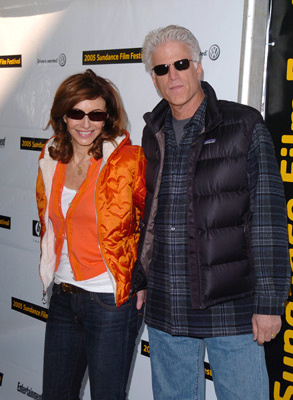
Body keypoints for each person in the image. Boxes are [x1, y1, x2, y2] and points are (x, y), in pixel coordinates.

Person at [130, 25, 291, 399]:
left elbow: (268, 220)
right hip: (165, 302)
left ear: (198, 67)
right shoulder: (152, 132)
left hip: (230, 306)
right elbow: (149, 212)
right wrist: (142, 277)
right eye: (161, 69)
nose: (172, 76)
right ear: (153, 79)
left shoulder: (244, 125)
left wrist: (269, 303)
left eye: (181, 64)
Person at [36, 69, 146, 400]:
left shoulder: (128, 161)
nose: (86, 123)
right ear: (63, 115)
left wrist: (140, 278)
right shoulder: (50, 157)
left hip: (109, 301)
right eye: (76, 113)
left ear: (107, 116)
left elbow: (151, 221)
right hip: (62, 297)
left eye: (96, 113)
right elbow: (52, 222)